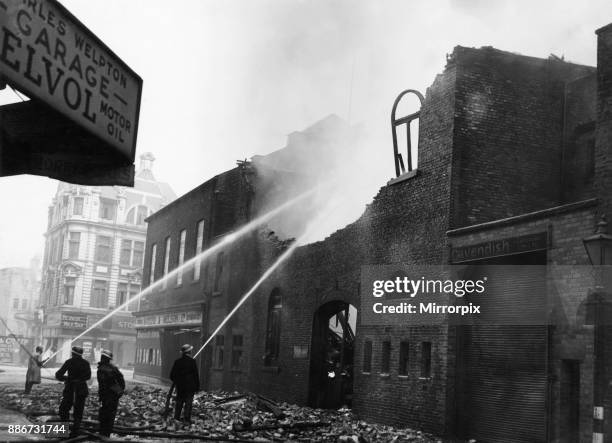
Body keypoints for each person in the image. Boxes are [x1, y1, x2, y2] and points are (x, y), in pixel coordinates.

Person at [55, 346, 91, 437]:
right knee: (78, 412)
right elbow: (88, 376)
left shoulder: (69, 362)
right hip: (81, 390)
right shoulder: (86, 363)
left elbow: (58, 375)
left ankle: (63, 431)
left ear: (73, 353)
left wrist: (67, 378)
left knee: (63, 409)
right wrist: (78, 380)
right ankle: (75, 432)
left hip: (70, 389)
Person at [96, 349, 125, 437]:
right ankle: (106, 433)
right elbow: (121, 380)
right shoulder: (113, 368)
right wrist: (119, 391)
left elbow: (102, 385)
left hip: (106, 396)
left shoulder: (101, 369)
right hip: (113, 395)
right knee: (110, 415)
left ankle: (103, 433)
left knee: (104, 414)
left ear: (103, 358)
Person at [169, 344, 200, 424]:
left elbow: (172, 375)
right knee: (188, 404)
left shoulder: (177, 362)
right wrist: (197, 387)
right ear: (189, 351)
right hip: (190, 388)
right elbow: (196, 375)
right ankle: (187, 419)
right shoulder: (192, 362)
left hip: (180, 387)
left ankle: (177, 418)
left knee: (179, 403)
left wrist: (178, 382)